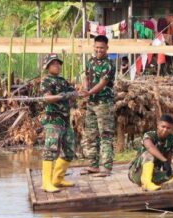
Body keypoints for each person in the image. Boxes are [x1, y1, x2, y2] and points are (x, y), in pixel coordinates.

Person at [39, 54, 78, 192]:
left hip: (65, 120)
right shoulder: (46, 81)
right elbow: (47, 98)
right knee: (50, 150)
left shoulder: (63, 81)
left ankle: (58, 178)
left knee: (70, 150)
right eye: (53, 63)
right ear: (48, 66)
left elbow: (74, 93)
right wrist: (63, 96)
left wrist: (74, 94)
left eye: (58, 63)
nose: (57, 65)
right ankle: (46, 183)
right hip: (53, 120)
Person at [81, 35, 116, 177]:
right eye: (97, 47)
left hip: (103, 103)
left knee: (105, 135)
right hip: (91, 103)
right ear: (93, 47)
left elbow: (102, 83)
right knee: (91, 134)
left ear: (107, 48)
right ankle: (93, 165)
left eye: (102, 47)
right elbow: (85, 77)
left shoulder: (109, 64)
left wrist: (88, 92)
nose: (99, 50)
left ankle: (106, 167)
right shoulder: (91, 61)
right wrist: (84, 89)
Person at [128, 114, 173, 191]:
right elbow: (150, 147)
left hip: (154, 173)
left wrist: (167, 169)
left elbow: (169, 155)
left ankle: (169, 182)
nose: (165, 130)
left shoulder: (172, 139)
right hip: (137, 173)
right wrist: (164, 161)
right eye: (163, 127)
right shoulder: (150, 135)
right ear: (158, 125)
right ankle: (146, 183)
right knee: (149, 154)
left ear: (172, 128)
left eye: (168, 128)